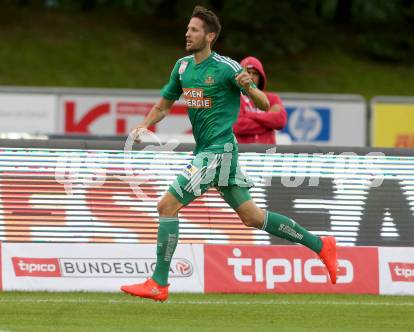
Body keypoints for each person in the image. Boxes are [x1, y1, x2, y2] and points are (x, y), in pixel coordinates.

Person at [120, 6, 338, 302]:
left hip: (218, 151)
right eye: (187, 28)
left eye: (194, 30)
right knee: (252, 217)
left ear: (209, 36)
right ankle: (321, 245)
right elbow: (164, 105)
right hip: (214, 152)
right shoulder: (182, 67)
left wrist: (249, 86)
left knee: (166, 205)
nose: (187, 33)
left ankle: (159, 282)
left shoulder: (226, 67)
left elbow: (262, 104)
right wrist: (144, 125)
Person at [233, 56, 287, 144]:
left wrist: (249, 115)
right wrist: (268, 120)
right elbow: (237, 125)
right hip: (243, 154)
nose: (251, 76)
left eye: (255, 73)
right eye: (248, 72)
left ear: (261, 76)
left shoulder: (272, 98)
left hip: (268, 154)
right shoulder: (233, 98)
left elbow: (280, 121)